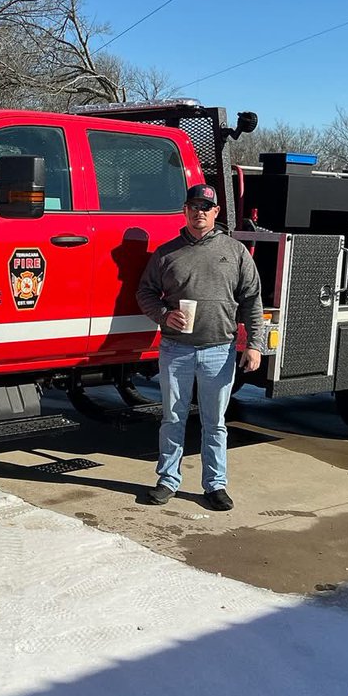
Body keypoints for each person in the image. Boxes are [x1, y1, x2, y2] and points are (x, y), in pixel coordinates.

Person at [136, 184, 263, 510]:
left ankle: (215, 485)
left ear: (216, 212)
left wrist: (254, 346)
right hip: (176, 350)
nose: (199, 212)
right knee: (172, 419)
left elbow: (252, 301)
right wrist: (164, 315)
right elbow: (145, 293)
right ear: (185, 210)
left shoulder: (235, 252)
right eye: (194, 206)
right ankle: (167, 481)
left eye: (206, 207)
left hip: (219, 351)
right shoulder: (167, 253)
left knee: (215, 423)